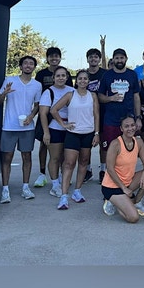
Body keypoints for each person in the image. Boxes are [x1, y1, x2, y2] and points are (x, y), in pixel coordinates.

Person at [50, 69, 100, 210]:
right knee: (69, 164)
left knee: (83, 162)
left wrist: (97, 133)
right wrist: (63, 124)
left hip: (88, 133)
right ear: (76, 81)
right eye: (80, 78)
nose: (83, 81)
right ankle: (64, 196)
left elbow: (96, 115)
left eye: (85, 79)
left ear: (88, 81)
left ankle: (77, 191)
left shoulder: (93, 96)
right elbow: (54, 110)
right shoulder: (70, 95)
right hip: (73, 134)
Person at [0, 55, 42, 204]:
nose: (28, 65)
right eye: (25, 63)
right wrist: (4, 93)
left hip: (27, 127)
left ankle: (25, 187)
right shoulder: (10, 80)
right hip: (9, 126)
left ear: (34, 67)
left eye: (31, 63)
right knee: (7, 158)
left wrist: (31, 116)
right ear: (21, 66)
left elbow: (37, 105)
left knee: (27, 157)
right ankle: (5, 190)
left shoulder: (37, 85)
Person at [101, 114, 144, 223]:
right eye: (126, 126)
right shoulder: (115, 144)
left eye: (132, 125)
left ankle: (136, 202)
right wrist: (123, 188)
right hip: (112, 186)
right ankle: (114, 201)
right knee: (133, 217)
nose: (130, 128)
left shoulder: (138, 142)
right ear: (121, 129)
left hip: (129, 182)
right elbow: (110, 169)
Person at [98, 48, 143, 183]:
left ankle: (126, 177)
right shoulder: (107, 75)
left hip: (128, 119)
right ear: (113, 60)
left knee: (129, 149)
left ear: (126, 59)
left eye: (121, 58)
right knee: (109, 149)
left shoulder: (132, 74)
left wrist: (138, 117)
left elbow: (136, 97)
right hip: (111, 119)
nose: (119, 60)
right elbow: (100, 96)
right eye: (117, 58)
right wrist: (110, 98)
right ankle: (108, 176)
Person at [33, 47, 73, 188]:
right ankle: (42, 173)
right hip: (47, 114)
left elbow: (70, 98)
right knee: (44, 143)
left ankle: (61, 175)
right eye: (51, 56)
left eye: (56, 56)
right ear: (47, 58)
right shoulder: (41, 74)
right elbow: (38, 95)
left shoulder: (68, 83)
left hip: (64, 121)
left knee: (62, 151)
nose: (54, 58)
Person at [38, 66, 75, 198]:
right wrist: (46, 132)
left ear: (67, 77)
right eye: (58, 76)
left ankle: (62, 179)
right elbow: (43, 114)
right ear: (53, 78)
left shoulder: (72, 91)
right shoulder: (48, 92)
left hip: (70, 128)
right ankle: (54, 185)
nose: (61, 78)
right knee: (55, 157)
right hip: (55, 128)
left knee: (66, 158)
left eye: (63, 75)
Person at [84, 47, 107, 182]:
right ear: (87, 59)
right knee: (86, 145)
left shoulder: (105, 74)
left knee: (103, 144)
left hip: (104, 112)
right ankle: (87, 170)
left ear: (99, 59)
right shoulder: (83, 75)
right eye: (91, 57)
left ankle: (103, 170)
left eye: (96, 57)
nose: (93, 59)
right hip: (86, 114)